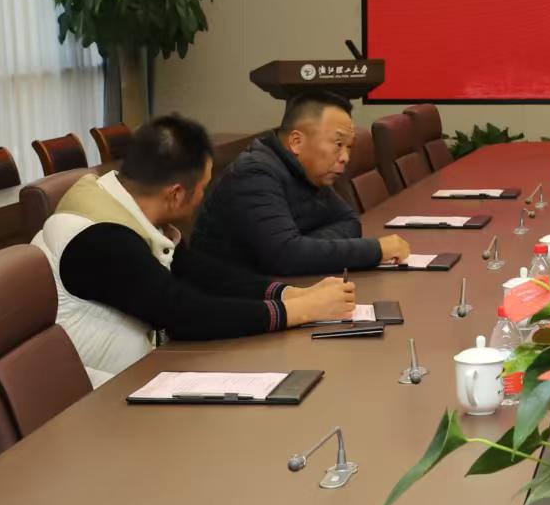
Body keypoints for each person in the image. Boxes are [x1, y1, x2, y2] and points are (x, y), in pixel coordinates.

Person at [32, 115, 355, 386]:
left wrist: (291, 294)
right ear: (175, 194)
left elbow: (201, 273)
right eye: (202, 187)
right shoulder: (101, 237)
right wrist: (301, 311)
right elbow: (185, 313)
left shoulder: (126, 204)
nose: (203, 196)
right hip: (100, 402)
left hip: (140, 375)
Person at [192, 92, 409, 276]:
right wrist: (377, 250)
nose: (345, 157)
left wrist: (305, 246)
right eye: (338, 144)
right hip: (224, 298)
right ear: (296, 142)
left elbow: (350, 222)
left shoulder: (309, 171)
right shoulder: (255, 173)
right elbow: (286, 256)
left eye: (349, 147)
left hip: (273, 287)